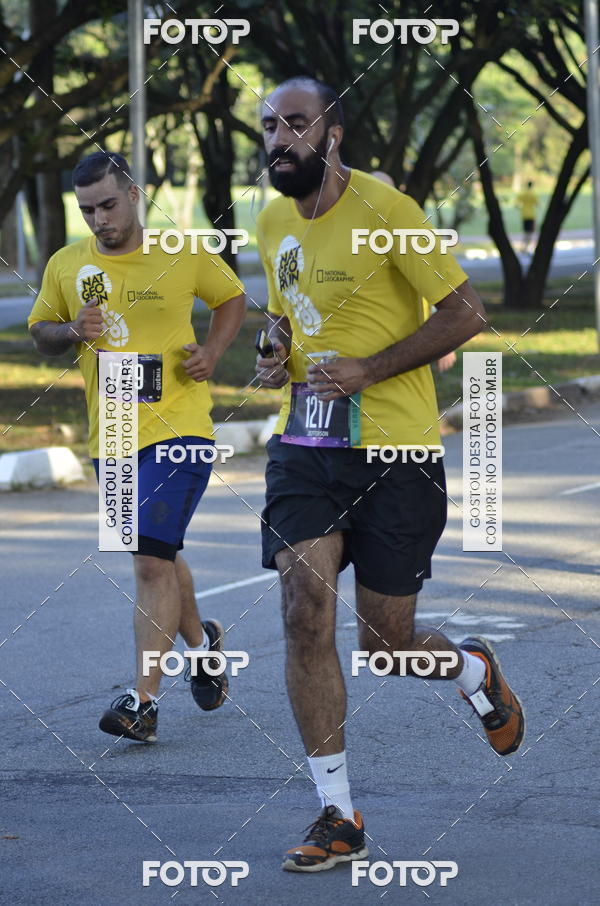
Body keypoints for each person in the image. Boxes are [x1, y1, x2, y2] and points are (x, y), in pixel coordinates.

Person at [254, 77, 524, 872]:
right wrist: (274, 352)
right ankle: (338, 813)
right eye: (269, 125)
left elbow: (467, 313)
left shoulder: (385, 211)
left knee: (386, 645)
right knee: (305, 611)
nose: (279, 138)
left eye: (295, 124)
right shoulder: (271, 220)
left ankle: (474, 666)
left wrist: (369, 368)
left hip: (398, 453)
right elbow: (284, 312)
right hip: (305, 448)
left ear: (331, 135)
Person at [28, 151, 246, 742]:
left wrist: (213, 352)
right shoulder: (68, 264)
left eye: (107, 205)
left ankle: (142, 702)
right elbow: (41, 329)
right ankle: (203, 648)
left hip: (180, 427)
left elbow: (231, 299)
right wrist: (71, 331)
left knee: (149, 559)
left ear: (134, 195)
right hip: (114, 435)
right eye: (87, 211)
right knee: (161, 550)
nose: (99, 220)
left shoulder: (181, 252)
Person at [371, 170, 457, 373]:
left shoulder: (409, 236)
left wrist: (445, 344)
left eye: (383, 192)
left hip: (410, 343)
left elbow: (441, 291)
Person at [516, 180, 538, 254]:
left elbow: (517, 202)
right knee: (530, 232)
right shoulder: (533, 194)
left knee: (526, 232)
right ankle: (526, 247)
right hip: (531, 215)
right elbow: (537, 204)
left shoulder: (523, 194)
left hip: (524, 215)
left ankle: (523, 247)